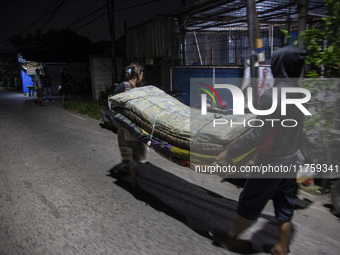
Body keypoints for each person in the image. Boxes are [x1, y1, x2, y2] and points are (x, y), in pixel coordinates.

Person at [210, 46, 306, 255]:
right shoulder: (301, 94)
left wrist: (230, 152)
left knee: (249, 199)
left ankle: (232, 236)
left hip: (271, 161)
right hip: (290, 160)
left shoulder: (272, 95)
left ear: (277, 66)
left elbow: (259, 134)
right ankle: (281, 246)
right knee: (284, 203)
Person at [113, 63, 146, 192]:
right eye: (141, 73)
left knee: (137, 150)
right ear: (138, 74)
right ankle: (134, 183)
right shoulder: (123, 87)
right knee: (132, 152)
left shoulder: (138, 87)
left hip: (136, 125)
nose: (142, 76)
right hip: (127, 126)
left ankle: (130, 167)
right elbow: (114, 103)